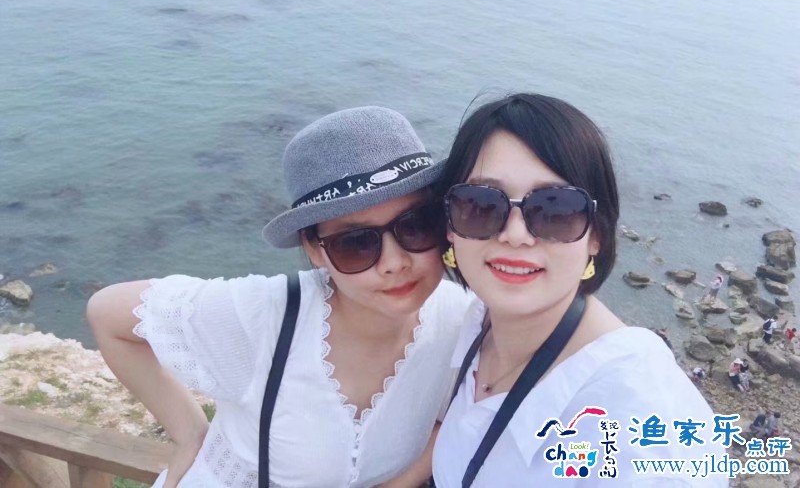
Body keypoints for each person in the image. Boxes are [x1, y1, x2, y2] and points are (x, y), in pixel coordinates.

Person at [88, 106, 471, 488]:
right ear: (315, 249)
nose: (394, 263)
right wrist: (190, 433)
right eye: (356, 243)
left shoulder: (462, 318)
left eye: (417, 225)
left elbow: (458, 412)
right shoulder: (260, 317)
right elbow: (107, 313)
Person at [430, 93, 726, 487]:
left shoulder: (639, 409)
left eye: (555, 208)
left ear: (596, 235)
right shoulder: (474, 323)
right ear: (450, 225)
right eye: (481, 204)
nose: (515, 235)